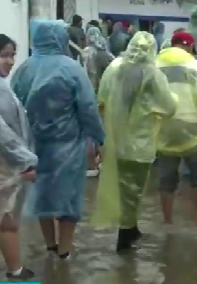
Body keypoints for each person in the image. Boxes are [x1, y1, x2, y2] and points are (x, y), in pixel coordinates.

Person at [10, 20, 105, 259]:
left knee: (42, 194)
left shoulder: (23, 69)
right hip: (68, 144)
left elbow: (13, 108)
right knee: (69, 197)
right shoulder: (72, 69)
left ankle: (50, 245)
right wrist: (98, 138)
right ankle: (64, 250)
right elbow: (87, 107)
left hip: (33, 145)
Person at [92, 32, 176, 252]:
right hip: (141, 145)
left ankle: (131, 229)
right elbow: (169, 107)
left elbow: (100, 102)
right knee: (135, 190)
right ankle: (125, 237)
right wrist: (151, 110)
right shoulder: (153, 74)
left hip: (116, 143)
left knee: (122, 189)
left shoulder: (113, 69)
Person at [156, 32, 197, 226]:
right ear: (189, 47)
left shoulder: (155, 65)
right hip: (193, 129)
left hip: (164, 129)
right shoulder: (194, 65)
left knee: (167, 181)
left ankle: (167, 221)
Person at [0, 34, 38, 280]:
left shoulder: (4, 85)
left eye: (13, 55)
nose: (10, 61)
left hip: (8, 161)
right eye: (4, 55)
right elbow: (3, 132)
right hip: (6, 164)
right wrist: (26, 161)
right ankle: (16, 272)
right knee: (7, 220)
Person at [82, 26, 115, 177]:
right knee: (103, 131)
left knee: (90, 131)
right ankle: (104, 161)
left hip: (88, 95)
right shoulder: (106, 54)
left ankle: (91, 164)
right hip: (105, 97)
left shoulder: (86, 53)